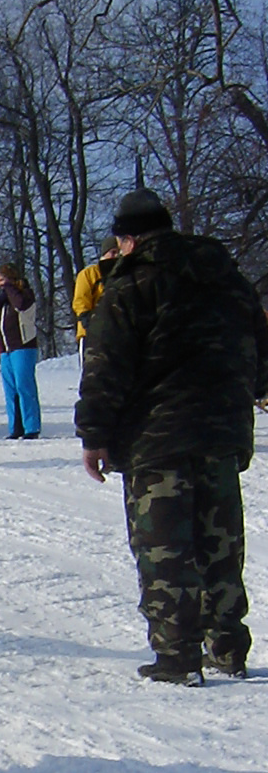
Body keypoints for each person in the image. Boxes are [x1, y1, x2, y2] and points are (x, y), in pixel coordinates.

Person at [76, 186, 268, 684]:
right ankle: (227, 647)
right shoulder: (226, 277)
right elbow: (259, 345)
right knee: (220, 542)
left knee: (165, 547)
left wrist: (94, 433)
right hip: (222, 431)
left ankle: (178, 656)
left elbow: (106, 365)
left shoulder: (132, 283)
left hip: (156, 436)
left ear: (129, 240)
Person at [0, 263, 41, 439]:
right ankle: (15, 427)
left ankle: (31, 427)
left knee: (25, 386)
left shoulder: (25, 294)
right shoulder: (4, 301)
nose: (0, 284)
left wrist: (10, 289)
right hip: (6, 350)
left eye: (3, 280)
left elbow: (21, 305)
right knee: (10, 390)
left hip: (23, 346)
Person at [72, 237, 119, 365]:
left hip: (117, 332)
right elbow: (81, 300)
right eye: (113, 252)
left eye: (119, 252)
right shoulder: (89, 274)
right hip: (91, 333)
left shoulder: (122, 275)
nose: (116, 256)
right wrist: (87, 318)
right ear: (104, 253)